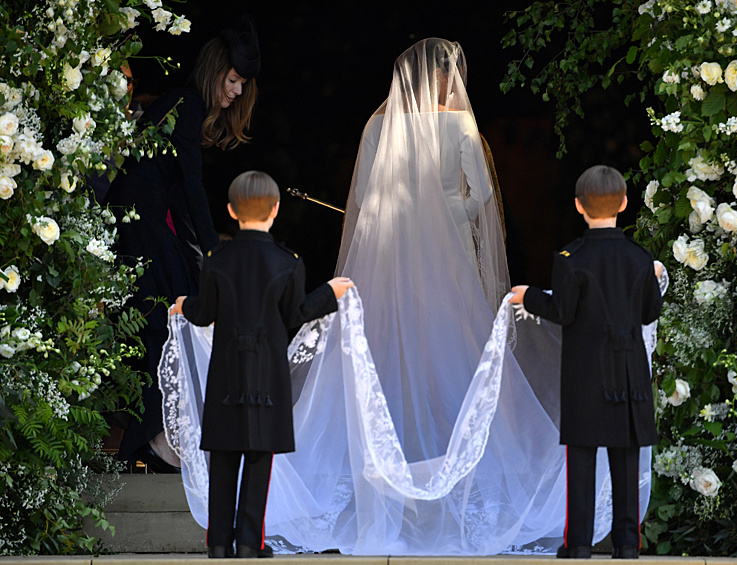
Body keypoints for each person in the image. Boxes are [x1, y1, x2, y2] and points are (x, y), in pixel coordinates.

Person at [161, 38, 644, 556]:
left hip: (388, 249)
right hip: (448, 256)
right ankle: (454, 465)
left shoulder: (377, 126)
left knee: (382, 346)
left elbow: (367, 197)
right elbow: (479, 195)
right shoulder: (460, 125)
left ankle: (382, 466)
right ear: (444, 77)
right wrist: (441, 219)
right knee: (453, 345)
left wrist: (409, 221)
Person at [170, 171, 354, 558]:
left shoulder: (215, 259)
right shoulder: (287, 262)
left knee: (222, 455)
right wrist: (330, 293)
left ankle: (219, 542)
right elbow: (296, 314)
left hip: (226, 375)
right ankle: (250, 542)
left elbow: (203, 314)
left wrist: (183, 304)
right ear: (275, 210)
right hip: (267, 377)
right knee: (258, 459)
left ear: (231, 211)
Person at [105, 15, 261, 472]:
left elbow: (179, 193)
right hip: (141, 229)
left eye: (242, 83)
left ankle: (156, 440)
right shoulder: (186, 104)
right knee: (168, 326)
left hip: (144, 228)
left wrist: (202, 252)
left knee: (167, 327)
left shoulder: (183, 105)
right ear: (216, 70)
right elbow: (189, 188)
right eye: (232, 80)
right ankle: (155, 441)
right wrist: (212, 253)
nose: (235, 91)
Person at [509, 165, 665, 559]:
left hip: (584, 374)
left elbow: (561, 311)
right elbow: (648, 313)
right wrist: (654, 276)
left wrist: (527, 295)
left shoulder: (569, 257)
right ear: (625, 203)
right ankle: (628, 545)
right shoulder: (640, 258)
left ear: (579, 206)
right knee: (626, 458)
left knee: (581, 458)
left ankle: (578, 544)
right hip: (629, 372)